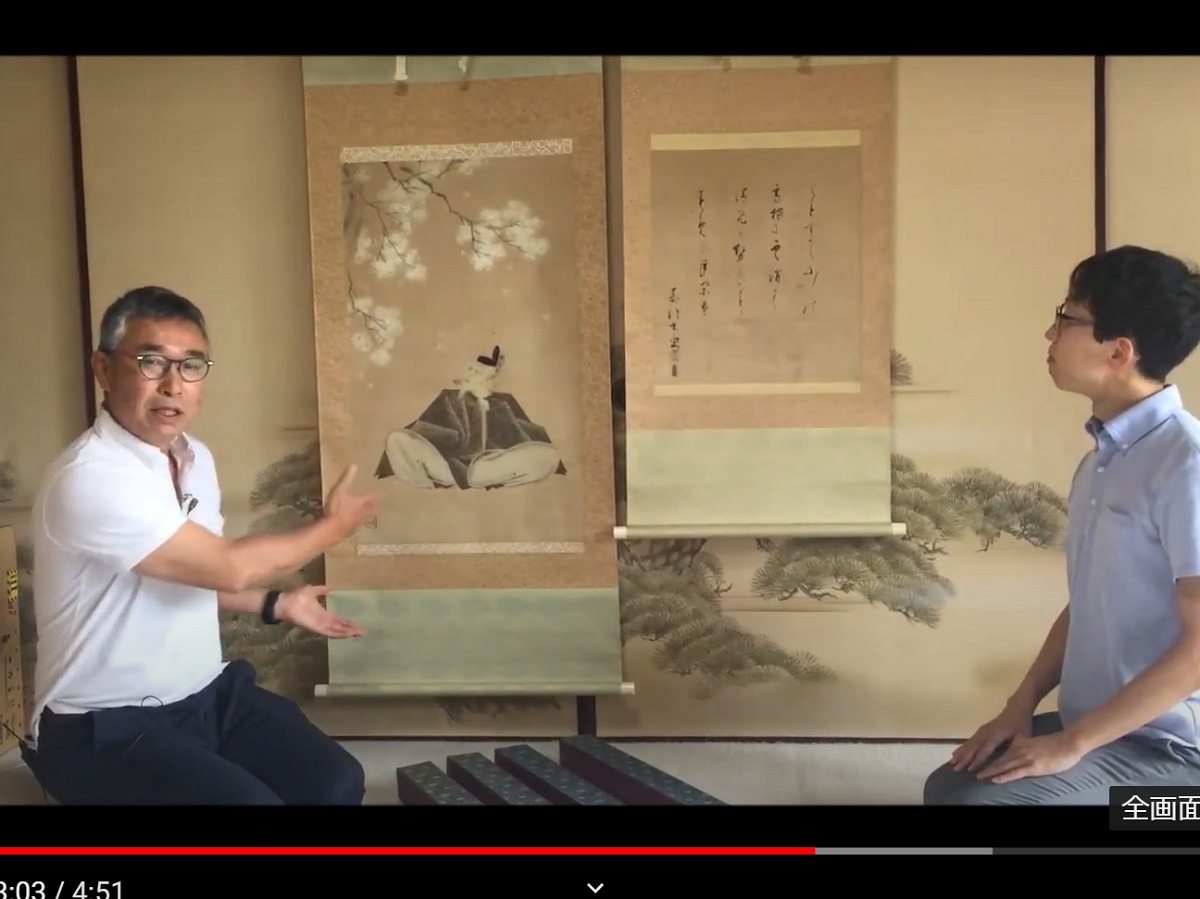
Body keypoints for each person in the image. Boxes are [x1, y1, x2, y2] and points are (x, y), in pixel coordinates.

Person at [23, 285, 377, 805]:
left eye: (191, 365)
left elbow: (190, 573)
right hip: (101, 724)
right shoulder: (90, 476)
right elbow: (226, 567)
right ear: (103, 369)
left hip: (204, 696)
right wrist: (333, 529)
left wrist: (276, 603)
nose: (173, 385)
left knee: (335, 784)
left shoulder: (194, 458)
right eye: (151, 362)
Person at [924, 244, 1200, 805]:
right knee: (948, 787)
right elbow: (1088, 604)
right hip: (1100, 725)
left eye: (1068, 319)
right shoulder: (1102, 460)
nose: (1050, 334)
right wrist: (1019, 706)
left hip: (1172, 750)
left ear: (1119, 351)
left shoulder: (1186, 463)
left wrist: (1073, 744)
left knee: (987, 806)